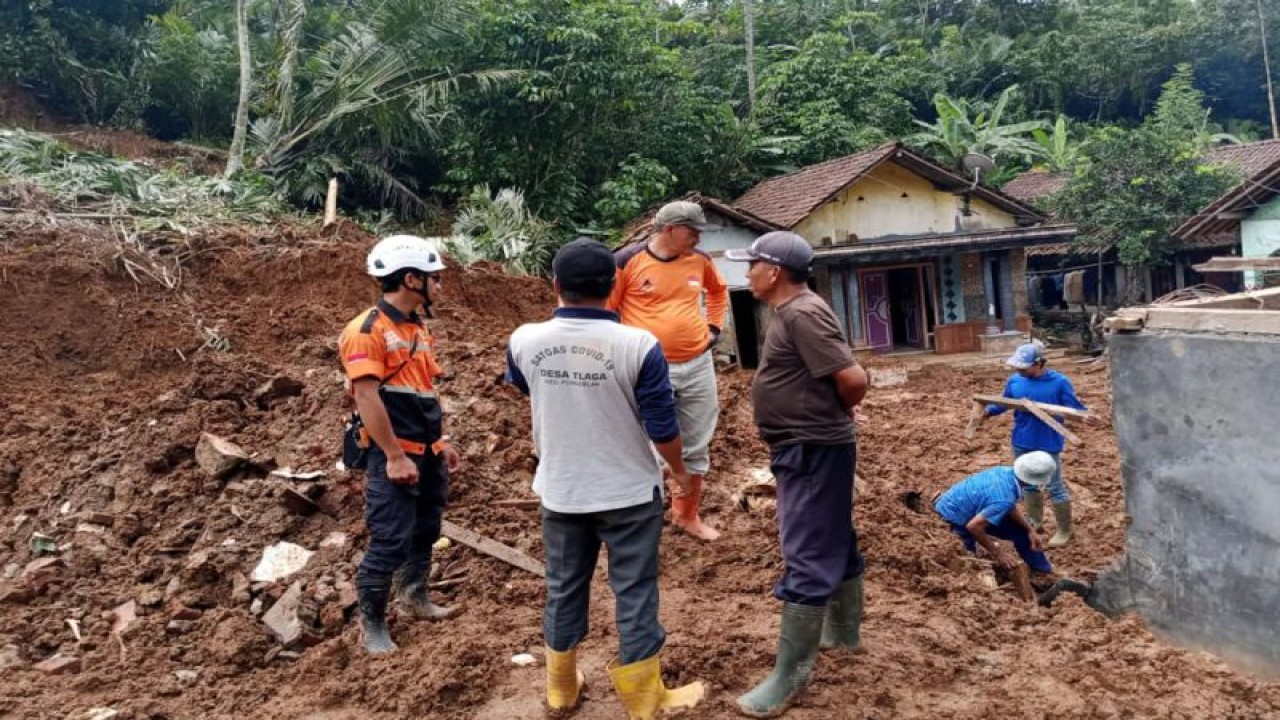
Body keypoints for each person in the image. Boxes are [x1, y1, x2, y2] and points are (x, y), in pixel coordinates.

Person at [506, 238, 705, 719]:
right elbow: (663, 428)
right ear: (614, 285)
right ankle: (643, 701)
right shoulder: (639, 345)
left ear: (555, 285)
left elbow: (523, 389)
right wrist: (679, 472)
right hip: (628, 492)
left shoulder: (523, 340)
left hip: (561, 489)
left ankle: (560, 690)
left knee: (563, 585)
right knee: (634, 590)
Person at [723, 231, 869, 718]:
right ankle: (844, 633)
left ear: (773, 272)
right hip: (808, 444)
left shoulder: (802, 312)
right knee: (832, 533)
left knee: (805, 547)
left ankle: (790, 674)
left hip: (813, 447)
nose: (747, 275)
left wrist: (833, 414)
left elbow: (852, 379)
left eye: (751, 267)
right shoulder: (793, 311)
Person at [338, 235, 463, 655]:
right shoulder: (366, 330)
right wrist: (393, 456)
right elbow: (366, 396)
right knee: (391, 538)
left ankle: (415, 597)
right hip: (395, 453)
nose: (440, 286)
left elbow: (422, 389)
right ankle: (372, 625)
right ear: (412, 279)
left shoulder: (416, 328)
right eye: (435, 279)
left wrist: (440, 442)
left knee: (426, 527)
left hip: (426, 451)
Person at [610, 200, 729, 541]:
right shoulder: (627, 261)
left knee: (696, 441)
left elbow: (718, 293)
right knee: (643, 442)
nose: (698, 239)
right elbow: (609, 310)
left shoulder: (700, 261)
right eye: (693, 231)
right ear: (669, 229)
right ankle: (642, 518)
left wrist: (714, 329)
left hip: (697, 365)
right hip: (648, 368)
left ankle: (686, 515)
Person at [971, 341, 1090, 546]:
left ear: (1039, 364)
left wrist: (1086, 416)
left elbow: (1075, 409)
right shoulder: (1015, 381)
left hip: (1048, 442)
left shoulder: (1059, 382)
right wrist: (987, 412)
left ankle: (1064, 529)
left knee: (1054, 486)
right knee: (1027, 484)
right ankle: (1034, 521)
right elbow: (1004, 402)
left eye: (1023, 366)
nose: (1019, 369)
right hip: (1022, 440)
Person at [932, 452, 1058, 574]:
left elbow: (1009, 507)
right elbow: (974, 526)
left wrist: (1030, 530)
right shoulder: (1003, 498)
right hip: (952, 518)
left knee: (1022, 530)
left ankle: (1042, 569)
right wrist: (998, 554)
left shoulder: (1004, 471)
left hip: (962, 505)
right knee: (967, 560)